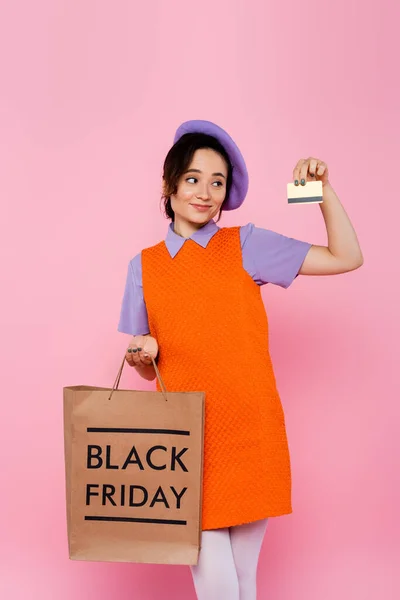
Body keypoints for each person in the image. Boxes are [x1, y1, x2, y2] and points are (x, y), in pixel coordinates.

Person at [117, 120, 363, 600]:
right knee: (220, 585)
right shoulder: (142, 266)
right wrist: (142, 356)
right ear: (168, 186)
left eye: (217, 182)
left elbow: (346, 256)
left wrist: (322, 192)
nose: (205, 192)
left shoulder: (245, 245)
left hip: (251, 434)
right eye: (192, 178)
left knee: (243, 581)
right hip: (188, 445)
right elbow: (146, 363)